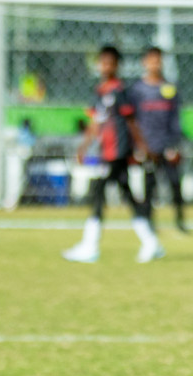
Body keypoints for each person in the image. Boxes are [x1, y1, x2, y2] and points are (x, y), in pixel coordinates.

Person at [62, 45, 162, 263]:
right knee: (126, 194)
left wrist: (142, 146)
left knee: (98, 192)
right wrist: (84, 146)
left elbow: (131, 121)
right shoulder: (99, 91)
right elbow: (95, 123)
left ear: (117, 66)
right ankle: (150, 242)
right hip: (105, 150)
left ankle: (90, 246)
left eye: (110, 62)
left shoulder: (119, 91)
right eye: (102, 62)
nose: (105, 66)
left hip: (116, 150)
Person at [129, 46, 189, 233]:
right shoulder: (137, 90)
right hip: (147, 146)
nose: (155, 64)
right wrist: (138, 145)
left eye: (159, 60)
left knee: (174, 183)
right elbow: (132, 119)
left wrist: (174, 144)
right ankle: (148, 222)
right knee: (149, 186)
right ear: (144, 62)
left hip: (166, 144)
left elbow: (175, 118)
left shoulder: (169, 88)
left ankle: (179, 221)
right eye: (152, 60)